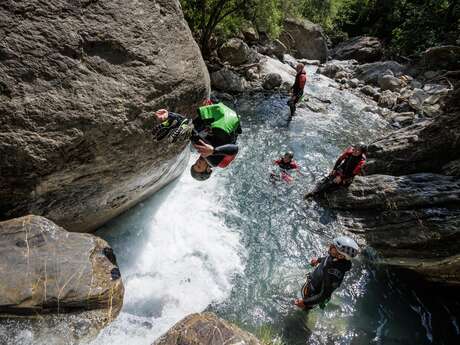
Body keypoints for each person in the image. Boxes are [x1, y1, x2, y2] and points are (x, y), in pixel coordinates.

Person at [153, 100, 242, 181]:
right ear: (208, 170)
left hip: (218, 113)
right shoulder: (220, 163)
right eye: (199, 166)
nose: (198, 162)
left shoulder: (205, 152)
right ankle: (183, 126)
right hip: (227, 120)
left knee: (195, 134)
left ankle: (171, 118)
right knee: (206, 151)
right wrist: (213, 151)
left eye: (195, 164)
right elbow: (235, 149)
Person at [294, 236, 359, 310]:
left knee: (302, 310)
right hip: (311, 284)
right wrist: (318, 260)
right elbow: (327, 259)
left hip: (312, 295)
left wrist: (305, 303)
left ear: (340, 256)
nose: (330, 247)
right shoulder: (336, 259)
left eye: (333, 247)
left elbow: (324, 295)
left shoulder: (332, 273)